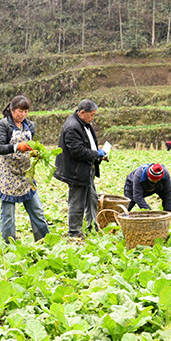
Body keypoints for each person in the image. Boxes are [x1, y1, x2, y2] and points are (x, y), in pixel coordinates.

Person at [0, 95, 49, 243]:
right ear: (11, 110)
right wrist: (17, 146)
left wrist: (36, 152)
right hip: (8, 173)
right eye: (20, 111)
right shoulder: (3, 125)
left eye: (26, 111)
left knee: (37, 209)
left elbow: (33, 145)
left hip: (25, 173)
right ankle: (9, 245)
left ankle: (44, 240)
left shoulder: (30, 125)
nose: (23, 115)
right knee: (8, 214)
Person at [54, 99, 106, 238]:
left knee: (92, 198)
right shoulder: (72, 126)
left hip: (87, 169)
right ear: (82, 112)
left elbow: (88, 145)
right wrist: (96, 154)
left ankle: (92, 226)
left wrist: (99, 155)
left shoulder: (85, 124)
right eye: (92, 115)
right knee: (77, 202)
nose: (93, 118)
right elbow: (78, 152)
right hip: (76, 171)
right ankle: (74, 232)